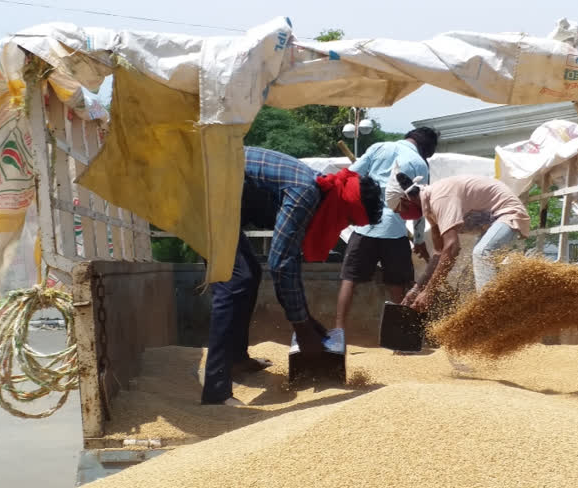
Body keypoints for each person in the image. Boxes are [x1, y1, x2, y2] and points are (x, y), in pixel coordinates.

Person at [201, 146, 383, 406]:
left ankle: (237, 359)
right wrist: (302, 328)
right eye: (349, 220)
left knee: (249, 274)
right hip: (205, 190)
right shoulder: (306, 193)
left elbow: (287, 258)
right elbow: (281, 264)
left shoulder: (318, 190)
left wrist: (306, 319)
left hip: (221, 196)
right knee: (235, 281)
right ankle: (216, 393)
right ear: (343, 205)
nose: (344, 226)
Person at [385, 163, 530, 312]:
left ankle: (490, 312)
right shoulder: (430, 208)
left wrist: (429, 292)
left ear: (406, 200)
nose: (402, 216)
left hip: (508, 214)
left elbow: (452, 247)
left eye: (399, 211)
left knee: (482, 253)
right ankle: (491, 314)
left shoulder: (439, 197)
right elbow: (439, 253)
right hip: (491, 223)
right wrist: (416, 289)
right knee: (468, 282)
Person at [334, 127, 438, 330]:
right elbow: (421, 205)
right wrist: (419, 240)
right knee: (397, 284)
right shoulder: (420, 165)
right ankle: (400, 338)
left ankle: (339, 333)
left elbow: (351, 175)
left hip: (365, 227)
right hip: (395, 231)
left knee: (349, 280)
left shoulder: (378, 147)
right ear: (426, 148)